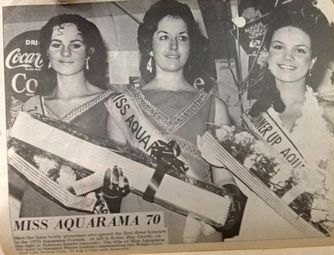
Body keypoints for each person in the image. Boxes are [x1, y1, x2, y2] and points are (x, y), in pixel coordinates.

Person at [106, 0, 246, 244]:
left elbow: (224, 178)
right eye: (163, 37)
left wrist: (228, 206)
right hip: (140, 226)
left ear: (191, 45)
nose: (173, 46)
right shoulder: (122, 105)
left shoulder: (216, 107)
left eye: (182, 37)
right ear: (149, 44)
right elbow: (112, 176)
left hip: (197, 229)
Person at [9, 14, 127, 217]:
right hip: (36, 214)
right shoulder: (32, 105)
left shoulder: (112, 103)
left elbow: (120, 172)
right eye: (56, 44)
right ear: (47, 52)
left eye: (75, 45)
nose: (65, 52)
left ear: (89, 51)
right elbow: (18, 176)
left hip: (87, 217)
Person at [246, 1, 334, 237]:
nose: (287, 57)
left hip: (319, 231)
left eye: (300, 50)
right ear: (267, 54)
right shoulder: (253, 118)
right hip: (260, 228)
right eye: (279, 47)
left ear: (311, 62)